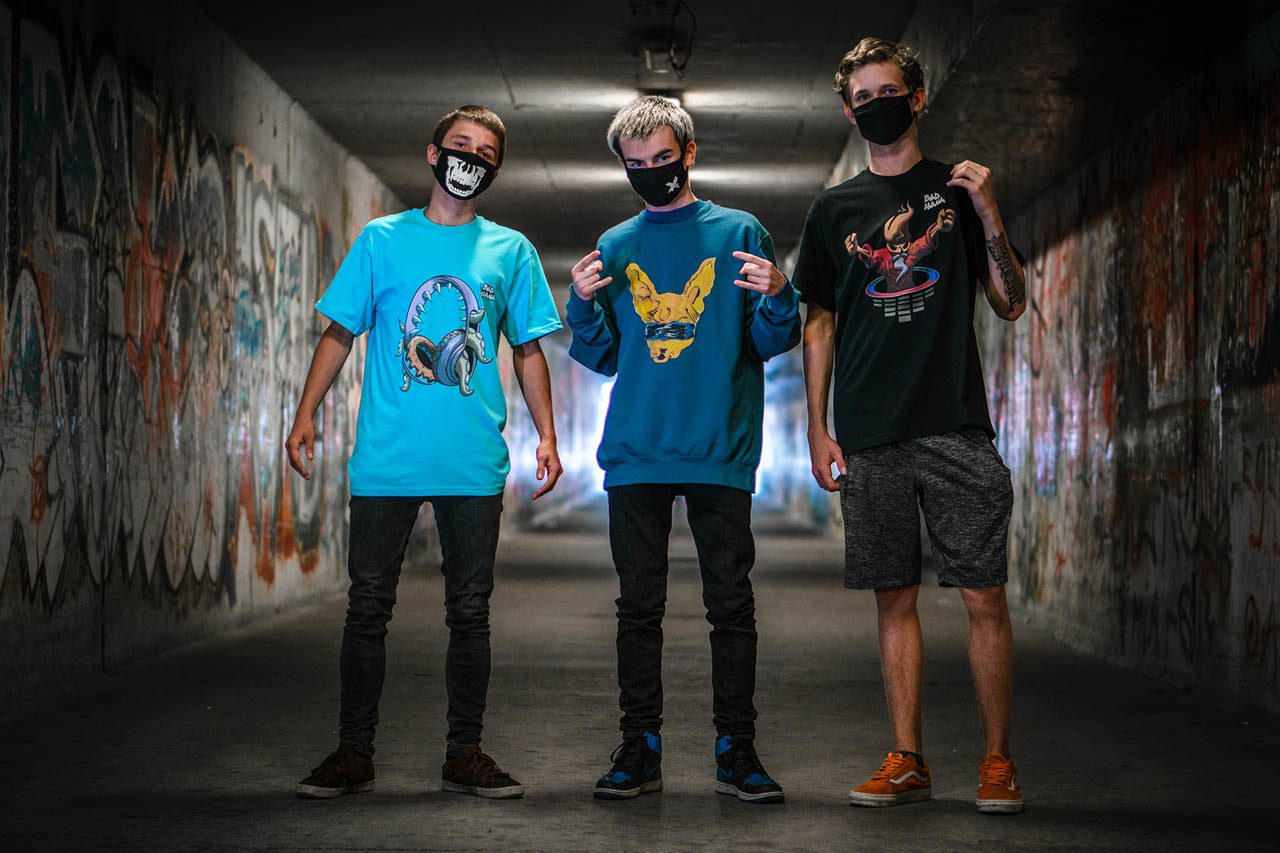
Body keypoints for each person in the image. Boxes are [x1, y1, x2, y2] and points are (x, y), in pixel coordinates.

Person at [286, 105, 563, 800]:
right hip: (386, 460)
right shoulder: (381, 240)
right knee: (367, 609)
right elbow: (339, 333)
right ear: (434, 153)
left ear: (495, 170)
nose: (472, 159)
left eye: (486, 153)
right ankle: (353, 752)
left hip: (473, 462)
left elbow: (528, 349)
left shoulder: (512, 251)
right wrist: (304, 413)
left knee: (470, 613)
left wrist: (548, 435)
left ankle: (464, 753)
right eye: (461, 146)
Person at [792, 38, 1028, 815]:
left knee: (984, 597)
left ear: (917, 97)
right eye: (860, 96)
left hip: (955, 424)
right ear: (848, 111)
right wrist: (817, 425)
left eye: (886, 91)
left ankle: (998, 761)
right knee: (892, 598)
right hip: (869, 432)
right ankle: (907, 759)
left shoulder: (958, 190)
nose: (875, 105)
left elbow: (1010, 301)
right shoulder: (833, 210)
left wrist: (988, 210)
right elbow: (819, 321)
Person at [566, 95, 800, 804]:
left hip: (718, 446)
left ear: (689, 153)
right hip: (635, 451)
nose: (651, 171)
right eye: (636, 163)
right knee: (638, 607)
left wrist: (781, 293)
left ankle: (737, 748)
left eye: (663, 159)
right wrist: (580, 304)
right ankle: (639, 746)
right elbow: (605, 357)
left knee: (730, 605)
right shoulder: (615, 246)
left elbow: (769, 340)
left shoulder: (739, 233)